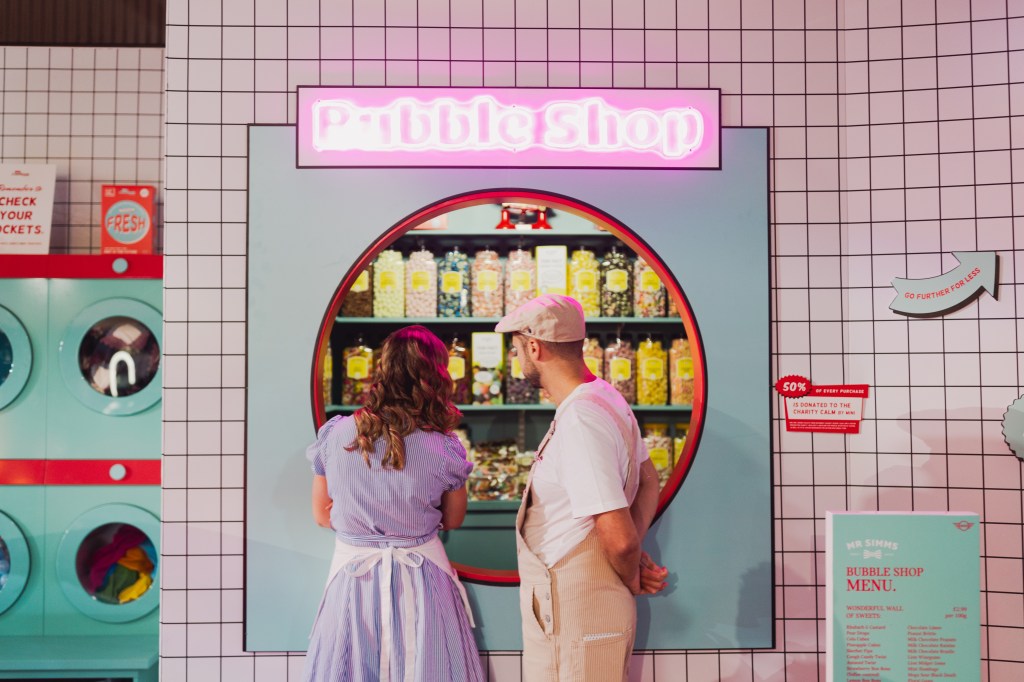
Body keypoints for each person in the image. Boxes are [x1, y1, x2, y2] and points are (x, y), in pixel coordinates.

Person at [495, 294, 669, 682]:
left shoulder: (580, 419)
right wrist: (631, 559)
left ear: (535, 347)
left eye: (517, 349)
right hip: (583, 600)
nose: (517, 359)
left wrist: (627, 569)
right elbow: (648, 481)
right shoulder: (606, 396)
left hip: (576, 604)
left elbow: (619, 538)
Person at [303, 325, 485, 682]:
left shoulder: (337, 433)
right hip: (423, 581)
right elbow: (454, 518)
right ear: (437, 376)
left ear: (381, 370)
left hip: (353, 579)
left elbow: (321, 516)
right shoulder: (444, 446)